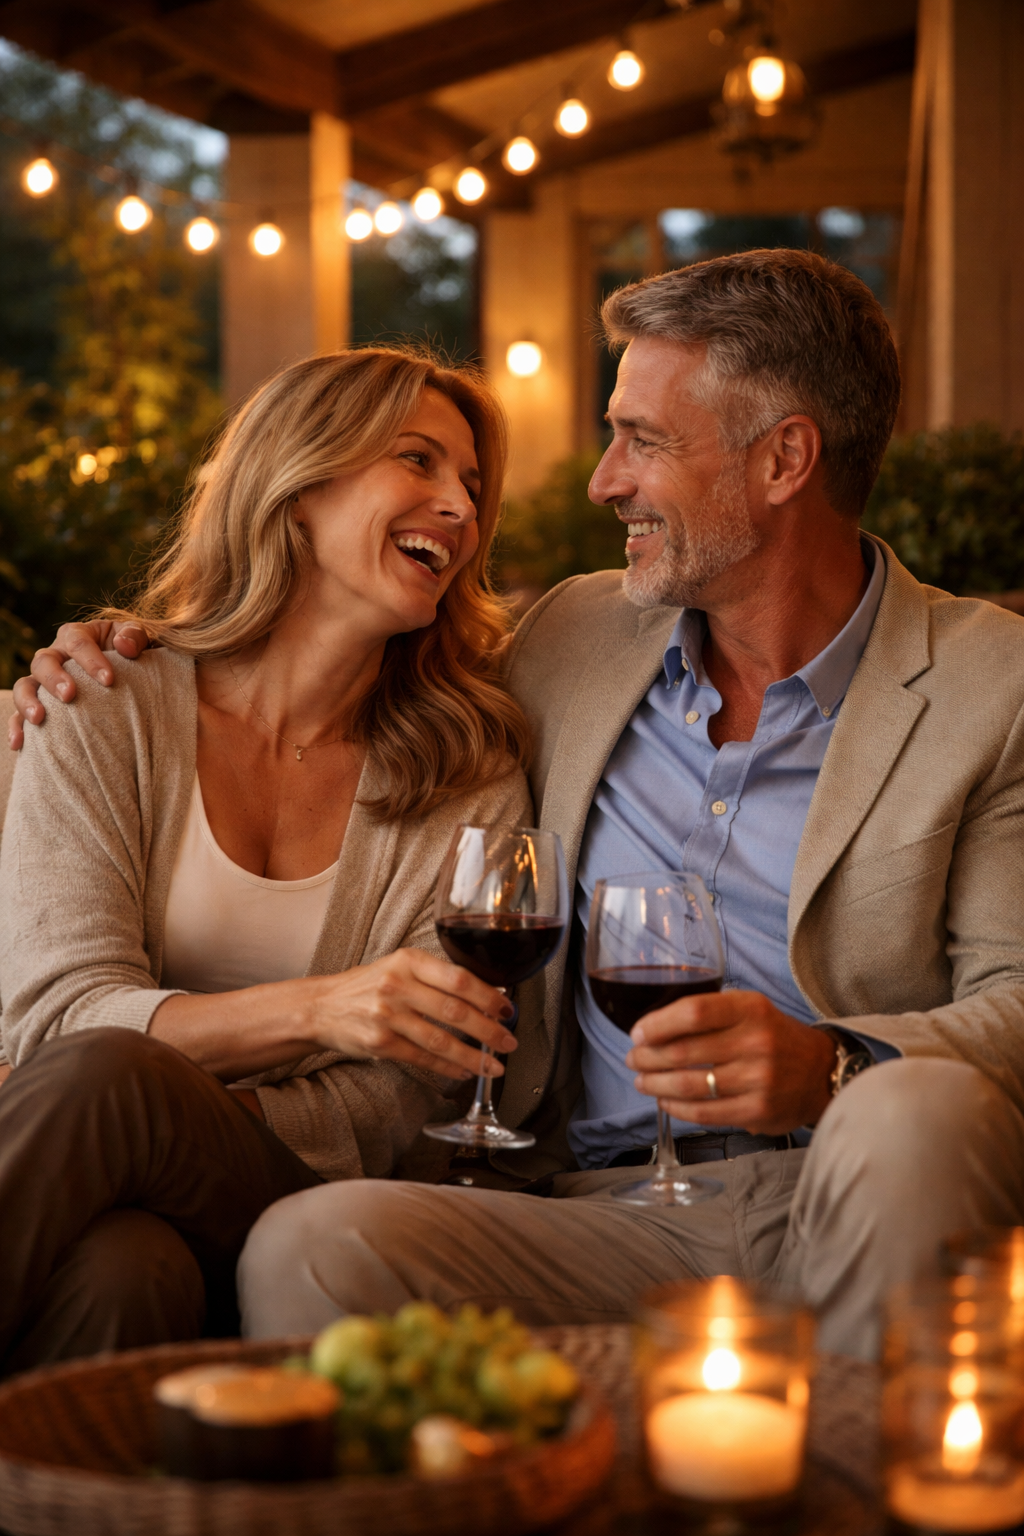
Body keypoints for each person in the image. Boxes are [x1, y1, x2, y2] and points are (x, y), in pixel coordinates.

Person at [14, 252, 1024, 1361]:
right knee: (288, 1245)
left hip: (850, 1178)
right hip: (591, 1208)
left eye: (641, 438)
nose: (600, 482)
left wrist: (830, 1065)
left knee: (915, 1108)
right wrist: (104, 653)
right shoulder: (571, 643)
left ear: (784, 457)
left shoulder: (990, 687)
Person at [0, 346, 532, 1374]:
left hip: (305, 1192)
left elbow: (404, 1093)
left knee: (116, 1074)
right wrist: (324, 1011)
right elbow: (56, 1010)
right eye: (417, 462)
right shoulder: (100, 704)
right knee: (127, 1272)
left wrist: (170, 1114)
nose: (458, 508)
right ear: (299, 486)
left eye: (471, 485)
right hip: (114, 1182)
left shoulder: (466, 773)